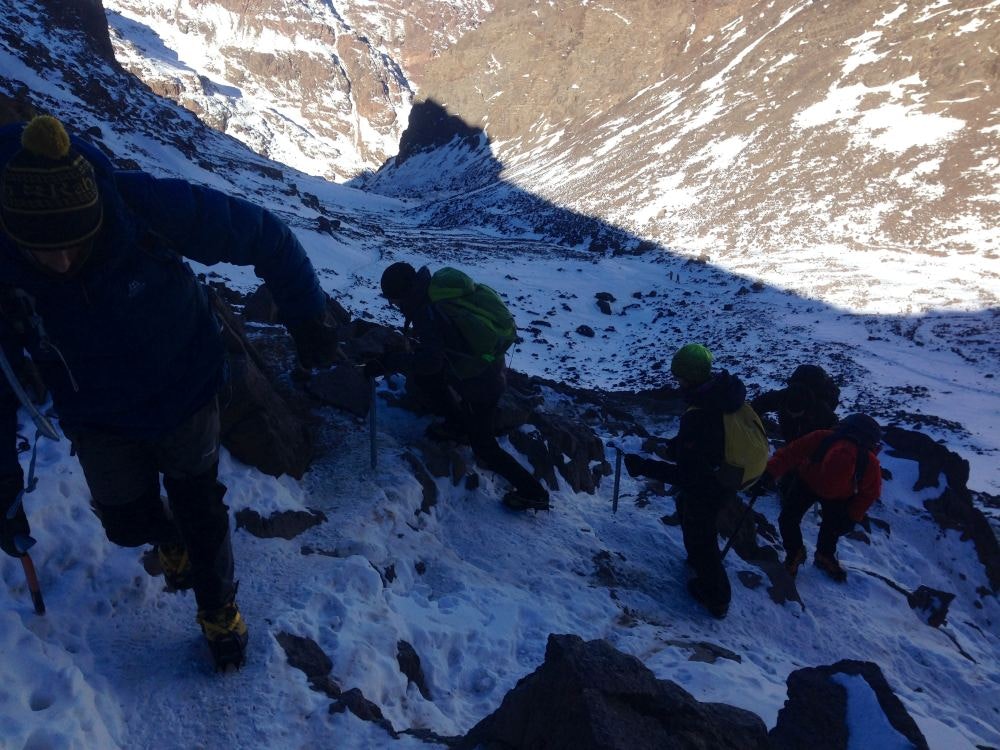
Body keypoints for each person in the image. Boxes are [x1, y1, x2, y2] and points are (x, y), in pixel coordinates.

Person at [0, 115, 340, 669]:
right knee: (125, 521)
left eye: (74, 242)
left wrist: (307, 319)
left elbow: (266, 237)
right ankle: (169, 542)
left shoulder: (141, 209)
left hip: (184, 390)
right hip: (98, 415)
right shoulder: (6, 269)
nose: (61, 262)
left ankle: (219, 613)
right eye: (44, 251)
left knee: (201, 506)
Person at [374, 261, 550, 511]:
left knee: (484, 447)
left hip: (479, 382)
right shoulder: (435, 291)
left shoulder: (427, 311)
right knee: (426, 380)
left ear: (402, 293)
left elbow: (430, 362)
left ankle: (534, 493)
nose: (396, 306)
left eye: (394, 300)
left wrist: (390, 362)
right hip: (488, 368)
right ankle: (457, 425)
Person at [624, 343, 766, 618]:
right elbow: (710, 440)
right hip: (729, 472)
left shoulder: (700, 415)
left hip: (715, 482)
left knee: (702, 532)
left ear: (689, 377)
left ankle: (717, 596)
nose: (677, 383)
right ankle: (696, 560)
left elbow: (690, 476)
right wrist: (678, 448)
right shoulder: (722, 395)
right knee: (688, 509)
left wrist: (644, 466)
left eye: (679, 377)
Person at [763, 413, 882, 582]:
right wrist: (853, 515)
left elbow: (790, 453)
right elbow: (869, 493)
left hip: (808, 481)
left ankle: (796, 553)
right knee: (831, 528)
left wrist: (769, 472)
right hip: (837, 494)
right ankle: (822, 555)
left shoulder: (822, 438)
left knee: (789, 519)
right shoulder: (869, 462)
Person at [751, 364, 840, 443]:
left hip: (813, 426)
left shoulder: (822, 410)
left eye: (797, 414)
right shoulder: (783, 396)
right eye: (791, 413)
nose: (793, 416)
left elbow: (834, 432)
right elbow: (759, 404)